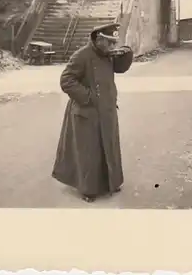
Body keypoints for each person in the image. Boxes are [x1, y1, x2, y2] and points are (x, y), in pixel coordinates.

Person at [52, 22, 134, 203]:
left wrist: (126, 53)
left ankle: (111, 182)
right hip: (86, 112)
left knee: (109, 148)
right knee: (89, 152)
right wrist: (89, 97)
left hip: (106, 111)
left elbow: (120, 68)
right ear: (98, 39)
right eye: (109, 43)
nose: (113, 46)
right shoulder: (81, 56)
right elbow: (66, 80)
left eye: (114, 43)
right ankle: (88, 189)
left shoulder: (107, 55)